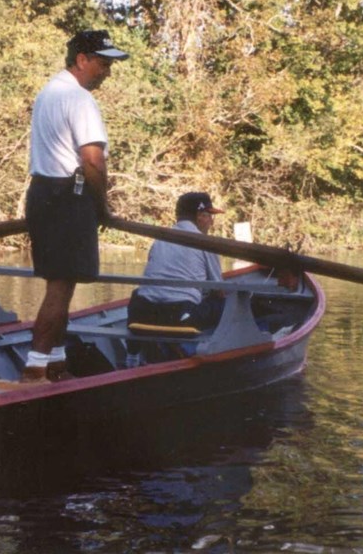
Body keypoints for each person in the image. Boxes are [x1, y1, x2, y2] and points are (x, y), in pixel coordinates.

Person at [22, 30, 129, 383]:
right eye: (103, 63)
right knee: (60, 287)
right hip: (69, 196)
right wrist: (102, 207)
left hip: (42, 193)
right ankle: (35, 369)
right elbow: (93, 162)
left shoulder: (48, 93)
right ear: (81, 59)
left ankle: (55, 362)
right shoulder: (80, 99)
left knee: (61, 283)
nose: (107, 72)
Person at [126, 192, 226, 366]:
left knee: (142, 292)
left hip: (143, 314)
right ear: (200, 216)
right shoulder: (205, 243)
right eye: (209, 215)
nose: (212, 221)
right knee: (225, 303)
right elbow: (219, 290)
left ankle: (132, 357)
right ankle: (213, 352)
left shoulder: (159, 240)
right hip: (180, 317)